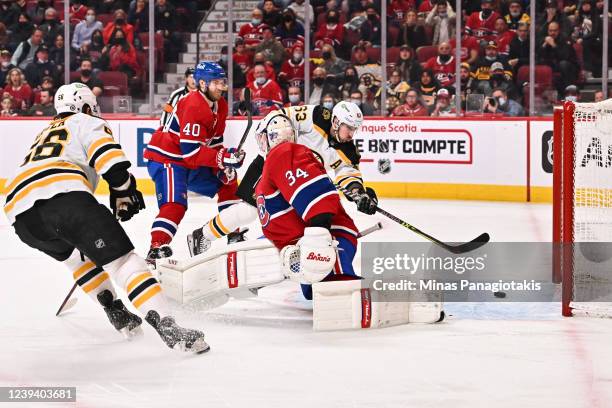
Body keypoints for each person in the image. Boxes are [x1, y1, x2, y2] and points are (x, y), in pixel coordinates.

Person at [3, 82, 208, 353]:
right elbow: (108, 158)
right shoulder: (86, 121)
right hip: (62, 196)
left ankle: (117, 312)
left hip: (19, 213)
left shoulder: (45, 131)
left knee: (78, 261)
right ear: (86, 106)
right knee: (122, 262)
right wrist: (123, 190)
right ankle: (169, 326)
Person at [188, 102, 376, 260]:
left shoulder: (349, 150)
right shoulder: (318, 116)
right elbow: (280, 116)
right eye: (349, 128)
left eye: (354, 129)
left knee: (288, 222)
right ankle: (202, 235)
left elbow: (348, 173)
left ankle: (273, 263)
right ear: (335, 121)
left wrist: (359, 194)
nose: (352, 134)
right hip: (273, 163)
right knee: (250, 210)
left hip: (298, 181)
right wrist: (272, 142)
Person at [143, 62, 246, 262]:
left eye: (222, 82)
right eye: (215, 82)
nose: (221, 87)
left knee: (228, 181)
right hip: (168, 158)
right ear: (202, 83)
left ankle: (234, 235)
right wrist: (222, 158)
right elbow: (191, 153)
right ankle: (156, 248)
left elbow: (214, 143)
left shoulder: (221, 105)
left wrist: (224, 164)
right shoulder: (192, 105)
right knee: (176, 204)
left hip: (189, 159)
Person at [253, 112, 361, 300]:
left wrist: (318, 242)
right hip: (307, 248)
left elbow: (318, 202)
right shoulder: (273, 165)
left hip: (330, 239)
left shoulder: (284, 153)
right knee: (315, 291)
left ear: (268, 136)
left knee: (336, 293)